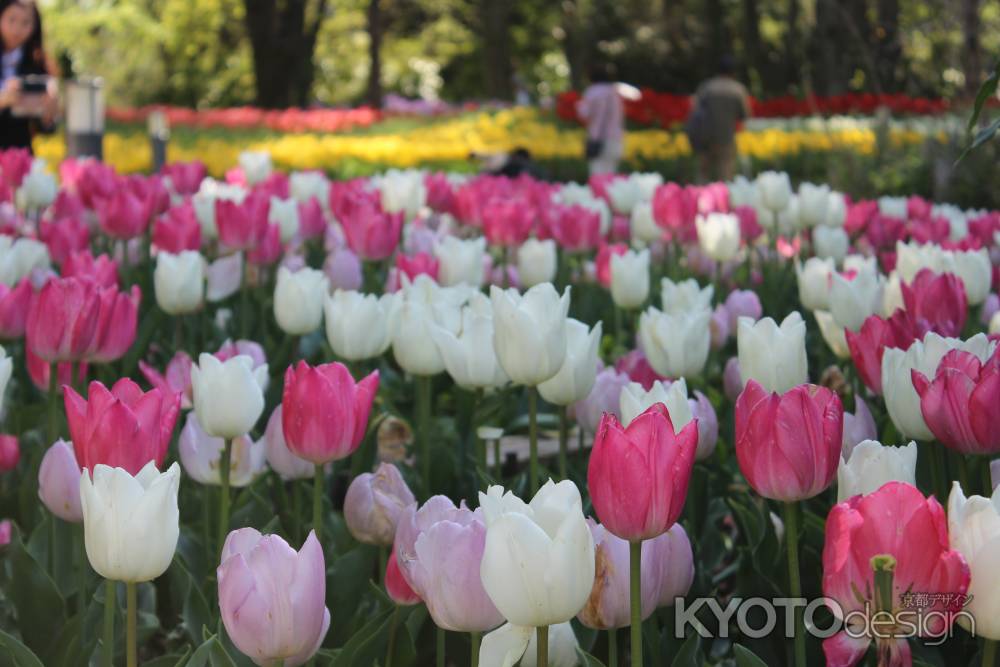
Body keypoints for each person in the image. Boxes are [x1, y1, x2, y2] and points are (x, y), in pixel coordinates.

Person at [0, 0, 57, 152]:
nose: (17, 29)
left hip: (19, 152)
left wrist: (48, 113)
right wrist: (3, 99)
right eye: (11, 20)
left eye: (26, 23)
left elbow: (46, 129)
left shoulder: (37, 64)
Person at [687, 56, 751, 183]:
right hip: (726, 138)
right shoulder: (738, 90)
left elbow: (694, 110)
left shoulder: (706, 87)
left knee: (702, 174)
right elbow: (745, 115)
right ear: (733, 72)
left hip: (704, 137)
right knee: (726, 175)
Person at [576, 63, 625, 176]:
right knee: (612, 176)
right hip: (616, 138)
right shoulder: (614, 91)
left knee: (597, 174)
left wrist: (578, 106)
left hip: (597, 138)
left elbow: (584, 113)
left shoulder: (592, 91)